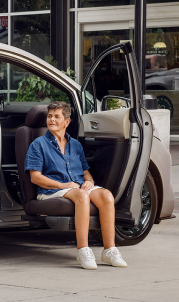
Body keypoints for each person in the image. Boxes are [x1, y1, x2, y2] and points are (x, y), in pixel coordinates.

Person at [24, 101, 127, 270]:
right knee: (81, 195)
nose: (52, 120)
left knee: (106, 195)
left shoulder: (75, 145)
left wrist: (89, 181)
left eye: (57, 117)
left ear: (67, 122)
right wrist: (62, 185)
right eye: (50, 116)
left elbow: (85, 171)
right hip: (51, 190)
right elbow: (35, 178)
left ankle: (109, 250)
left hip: (76, 186)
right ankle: (83, 250)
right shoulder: (38, 144)